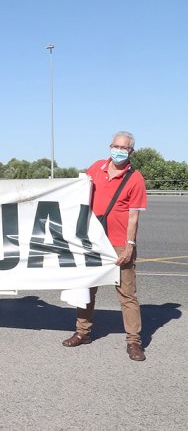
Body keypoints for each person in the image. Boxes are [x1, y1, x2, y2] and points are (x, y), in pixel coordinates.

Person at [62, 131, 148, 361]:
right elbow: (77, 194)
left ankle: (134, 342)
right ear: (110, 146)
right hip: (93, 242)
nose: (119, 150)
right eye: (115, 146)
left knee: (127, 294)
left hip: (119, 244)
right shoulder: (96, 168)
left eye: (124, 147)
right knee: (87, 290)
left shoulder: (135, 179)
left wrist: (130, 246)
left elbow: (133, 217)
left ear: (131, 151)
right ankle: (82, 332)